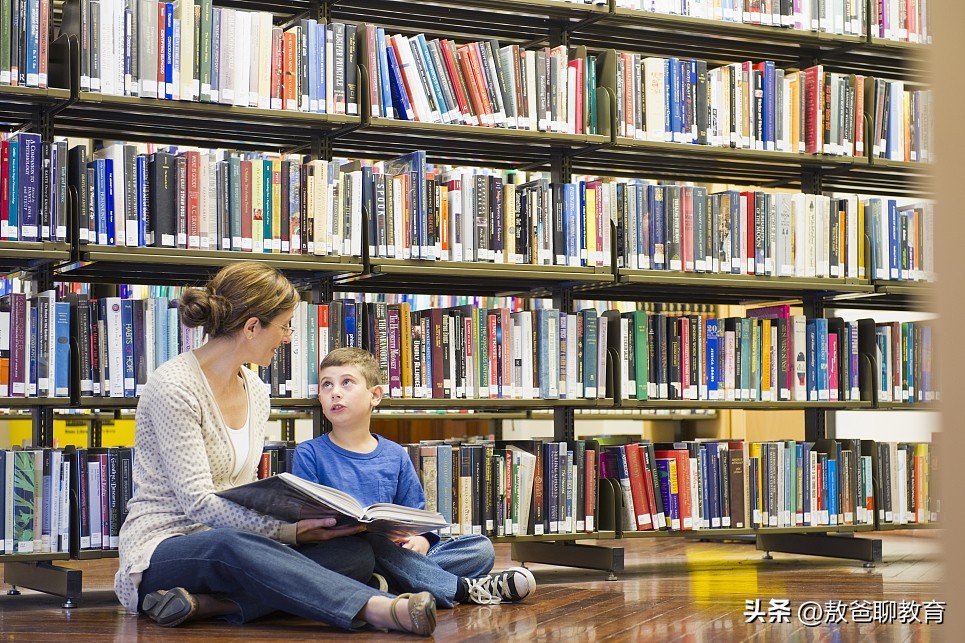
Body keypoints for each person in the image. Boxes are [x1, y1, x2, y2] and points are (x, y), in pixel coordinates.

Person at [114, 262, 436, 635]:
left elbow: (243, 488)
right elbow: (198, 503)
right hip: (164, 547)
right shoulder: (174, 387)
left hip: (243, 545)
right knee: (229, 545)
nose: (286, 337)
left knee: (351, 554)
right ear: (253, 327)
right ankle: (375, 608)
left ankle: (214, 605)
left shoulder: (256, 389)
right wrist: (289, 533)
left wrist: (301, 519)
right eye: (284, 325)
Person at [291, 346, 536, 607]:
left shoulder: (394, 455)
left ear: (375, 395)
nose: (335, 392)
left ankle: (381, 586)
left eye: (347, 382)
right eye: (326, 385)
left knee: (480, 548)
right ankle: (462, 589)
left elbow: (415, 517)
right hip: (344, 555)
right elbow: (308, 522)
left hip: (394, 555)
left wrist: (419, 540)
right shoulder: (309, 453)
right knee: (366, 545)